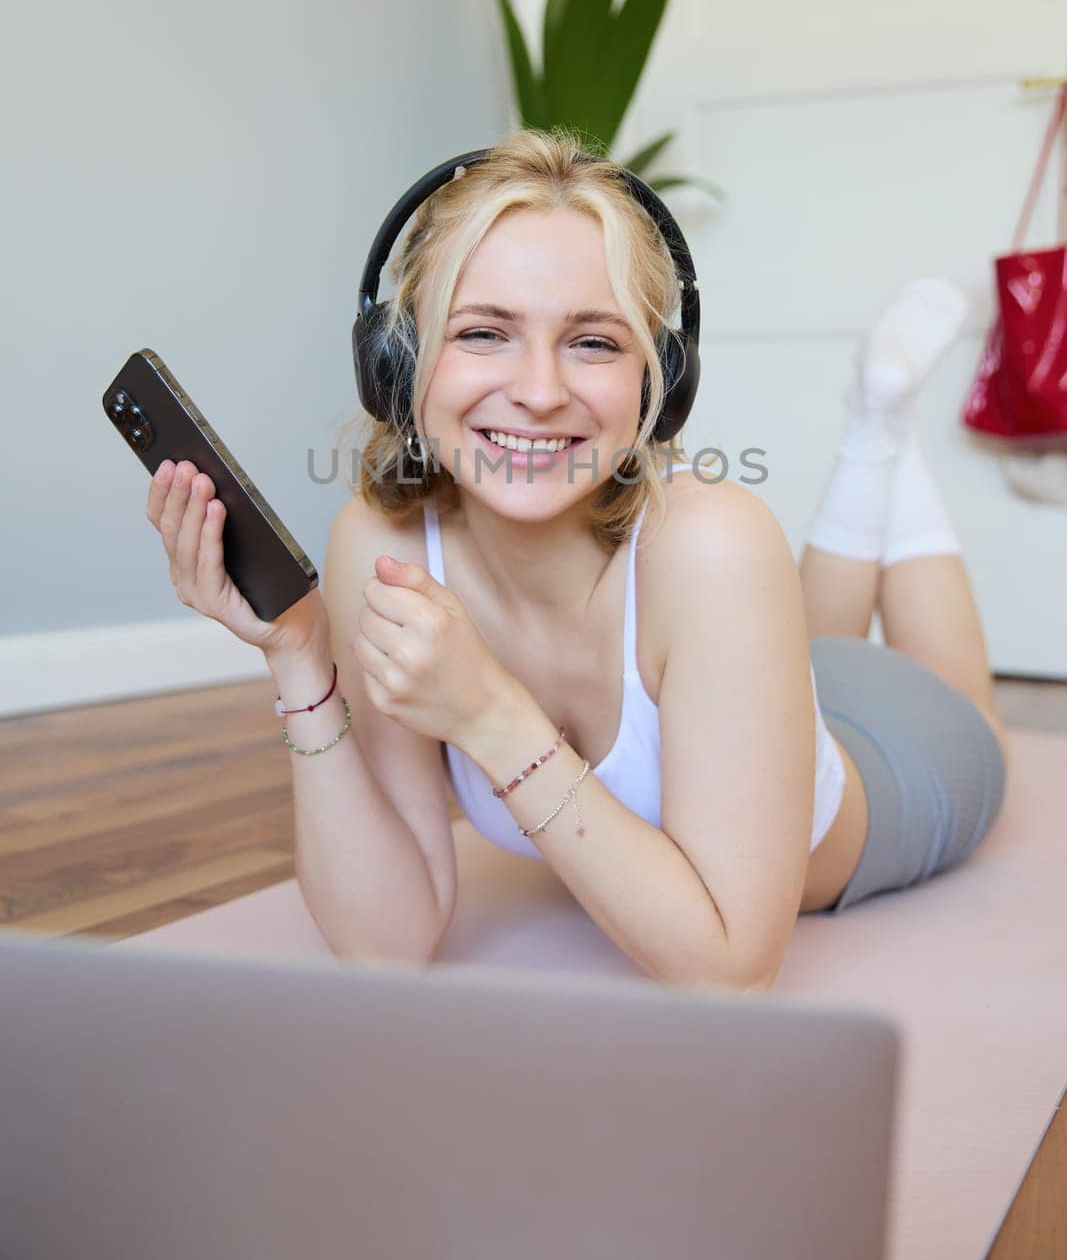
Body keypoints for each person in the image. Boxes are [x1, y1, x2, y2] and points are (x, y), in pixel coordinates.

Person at [146, 128, 1010, 992]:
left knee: (965, 709)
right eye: (483, 332)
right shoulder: (381, 544)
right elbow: (386, 942)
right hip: (760, 681)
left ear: (658, 381)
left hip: (909, 755)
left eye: (593, 342)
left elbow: (728, 971)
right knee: (814, 647)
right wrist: (300, 657)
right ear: (397, 360)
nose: (538, 390)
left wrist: (491, 712)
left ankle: (877, 435)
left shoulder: (714, 542)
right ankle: (877, 430)